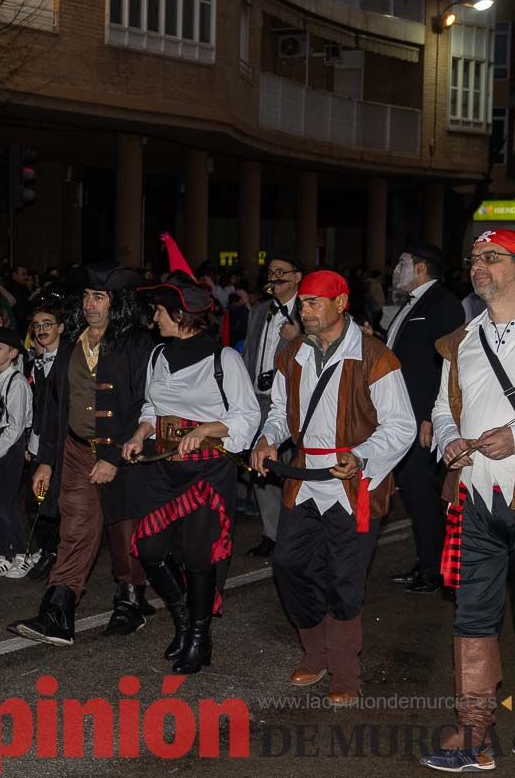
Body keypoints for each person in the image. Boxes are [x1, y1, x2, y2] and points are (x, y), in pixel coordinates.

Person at [251, 270, 414, 706]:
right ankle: (316, 651)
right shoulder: (291, 355)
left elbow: (401, 426)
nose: (304, 310)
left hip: (355, 484)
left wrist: (360, 456)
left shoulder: (376, 357)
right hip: (304, 480)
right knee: (288, 563)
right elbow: (282, 414)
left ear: (341, 303)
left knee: (345, 579)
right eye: (302, 302)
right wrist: (267, 440)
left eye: (314, 302)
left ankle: (345, 669)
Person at [9, 264, 155, 648]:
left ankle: (131, 599)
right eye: (88, 296)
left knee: (124, 531)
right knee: (75, 529)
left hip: (123, 451)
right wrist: (46, 459)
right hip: (74, 449)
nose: (91, 305)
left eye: (100, 297)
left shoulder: (137, 343)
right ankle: (58, 612)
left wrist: (113, 456)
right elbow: (56, 405)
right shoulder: (72, 341)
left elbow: (147, 404)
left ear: (117, 302)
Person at [124, 274, 259, 675]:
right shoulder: (157, 356)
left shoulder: (225, 360)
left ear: (180, 315)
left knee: (200, 556)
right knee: (148, 547)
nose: (154, 321)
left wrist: (205, 429)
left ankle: (199, 639)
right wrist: (140, 433)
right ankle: (184, 622)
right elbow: (152, 406)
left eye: (160, 313)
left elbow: (247, 415)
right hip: (164, 467)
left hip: (207, 472)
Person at [420, 229, 515, 772]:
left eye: (492, 258)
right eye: (474, 259)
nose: (479, 267)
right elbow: (442, 405)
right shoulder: (461, 339)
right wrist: (451, 437)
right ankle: (475, 731)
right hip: (478, 495)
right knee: (473, 618)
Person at [381, 244, 464, 595]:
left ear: (420, 268)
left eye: (401, 263)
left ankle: (434, 571)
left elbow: (447, 365)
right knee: (414, 497)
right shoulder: (412, 303)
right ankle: (427, 562)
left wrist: (431, 415)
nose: (395, 268)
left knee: (422, 494)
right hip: (403, 414)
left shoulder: (442, 303)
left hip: (422, 419)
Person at [241, 253, 303, 558]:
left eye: (282, 271)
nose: (274, 277)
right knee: (260, 468)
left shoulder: (308, 312)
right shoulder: (258, 311)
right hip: (258, 400)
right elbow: (249, 353)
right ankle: (271, 532)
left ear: (296, 277)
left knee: (291, 467)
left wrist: (298, 338)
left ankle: (294, 533)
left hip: (292, 403)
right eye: (270, 272)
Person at [0, 327, 34, 578]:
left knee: (7, 503)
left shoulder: (17, 382)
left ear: (13, 353)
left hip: (9, 446)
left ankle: (22, 554)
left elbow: (15, 427)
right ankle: (4, 553)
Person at [24, 300, 65, 580]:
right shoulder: (37, 364)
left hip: (65, 443)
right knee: (39, 499)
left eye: (47, 324)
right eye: (37, 326)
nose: (41, 330)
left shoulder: (70, 361)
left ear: (61, 327)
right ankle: (49, 550)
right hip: (42, 440)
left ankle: (60, 554)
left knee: (60, 501)